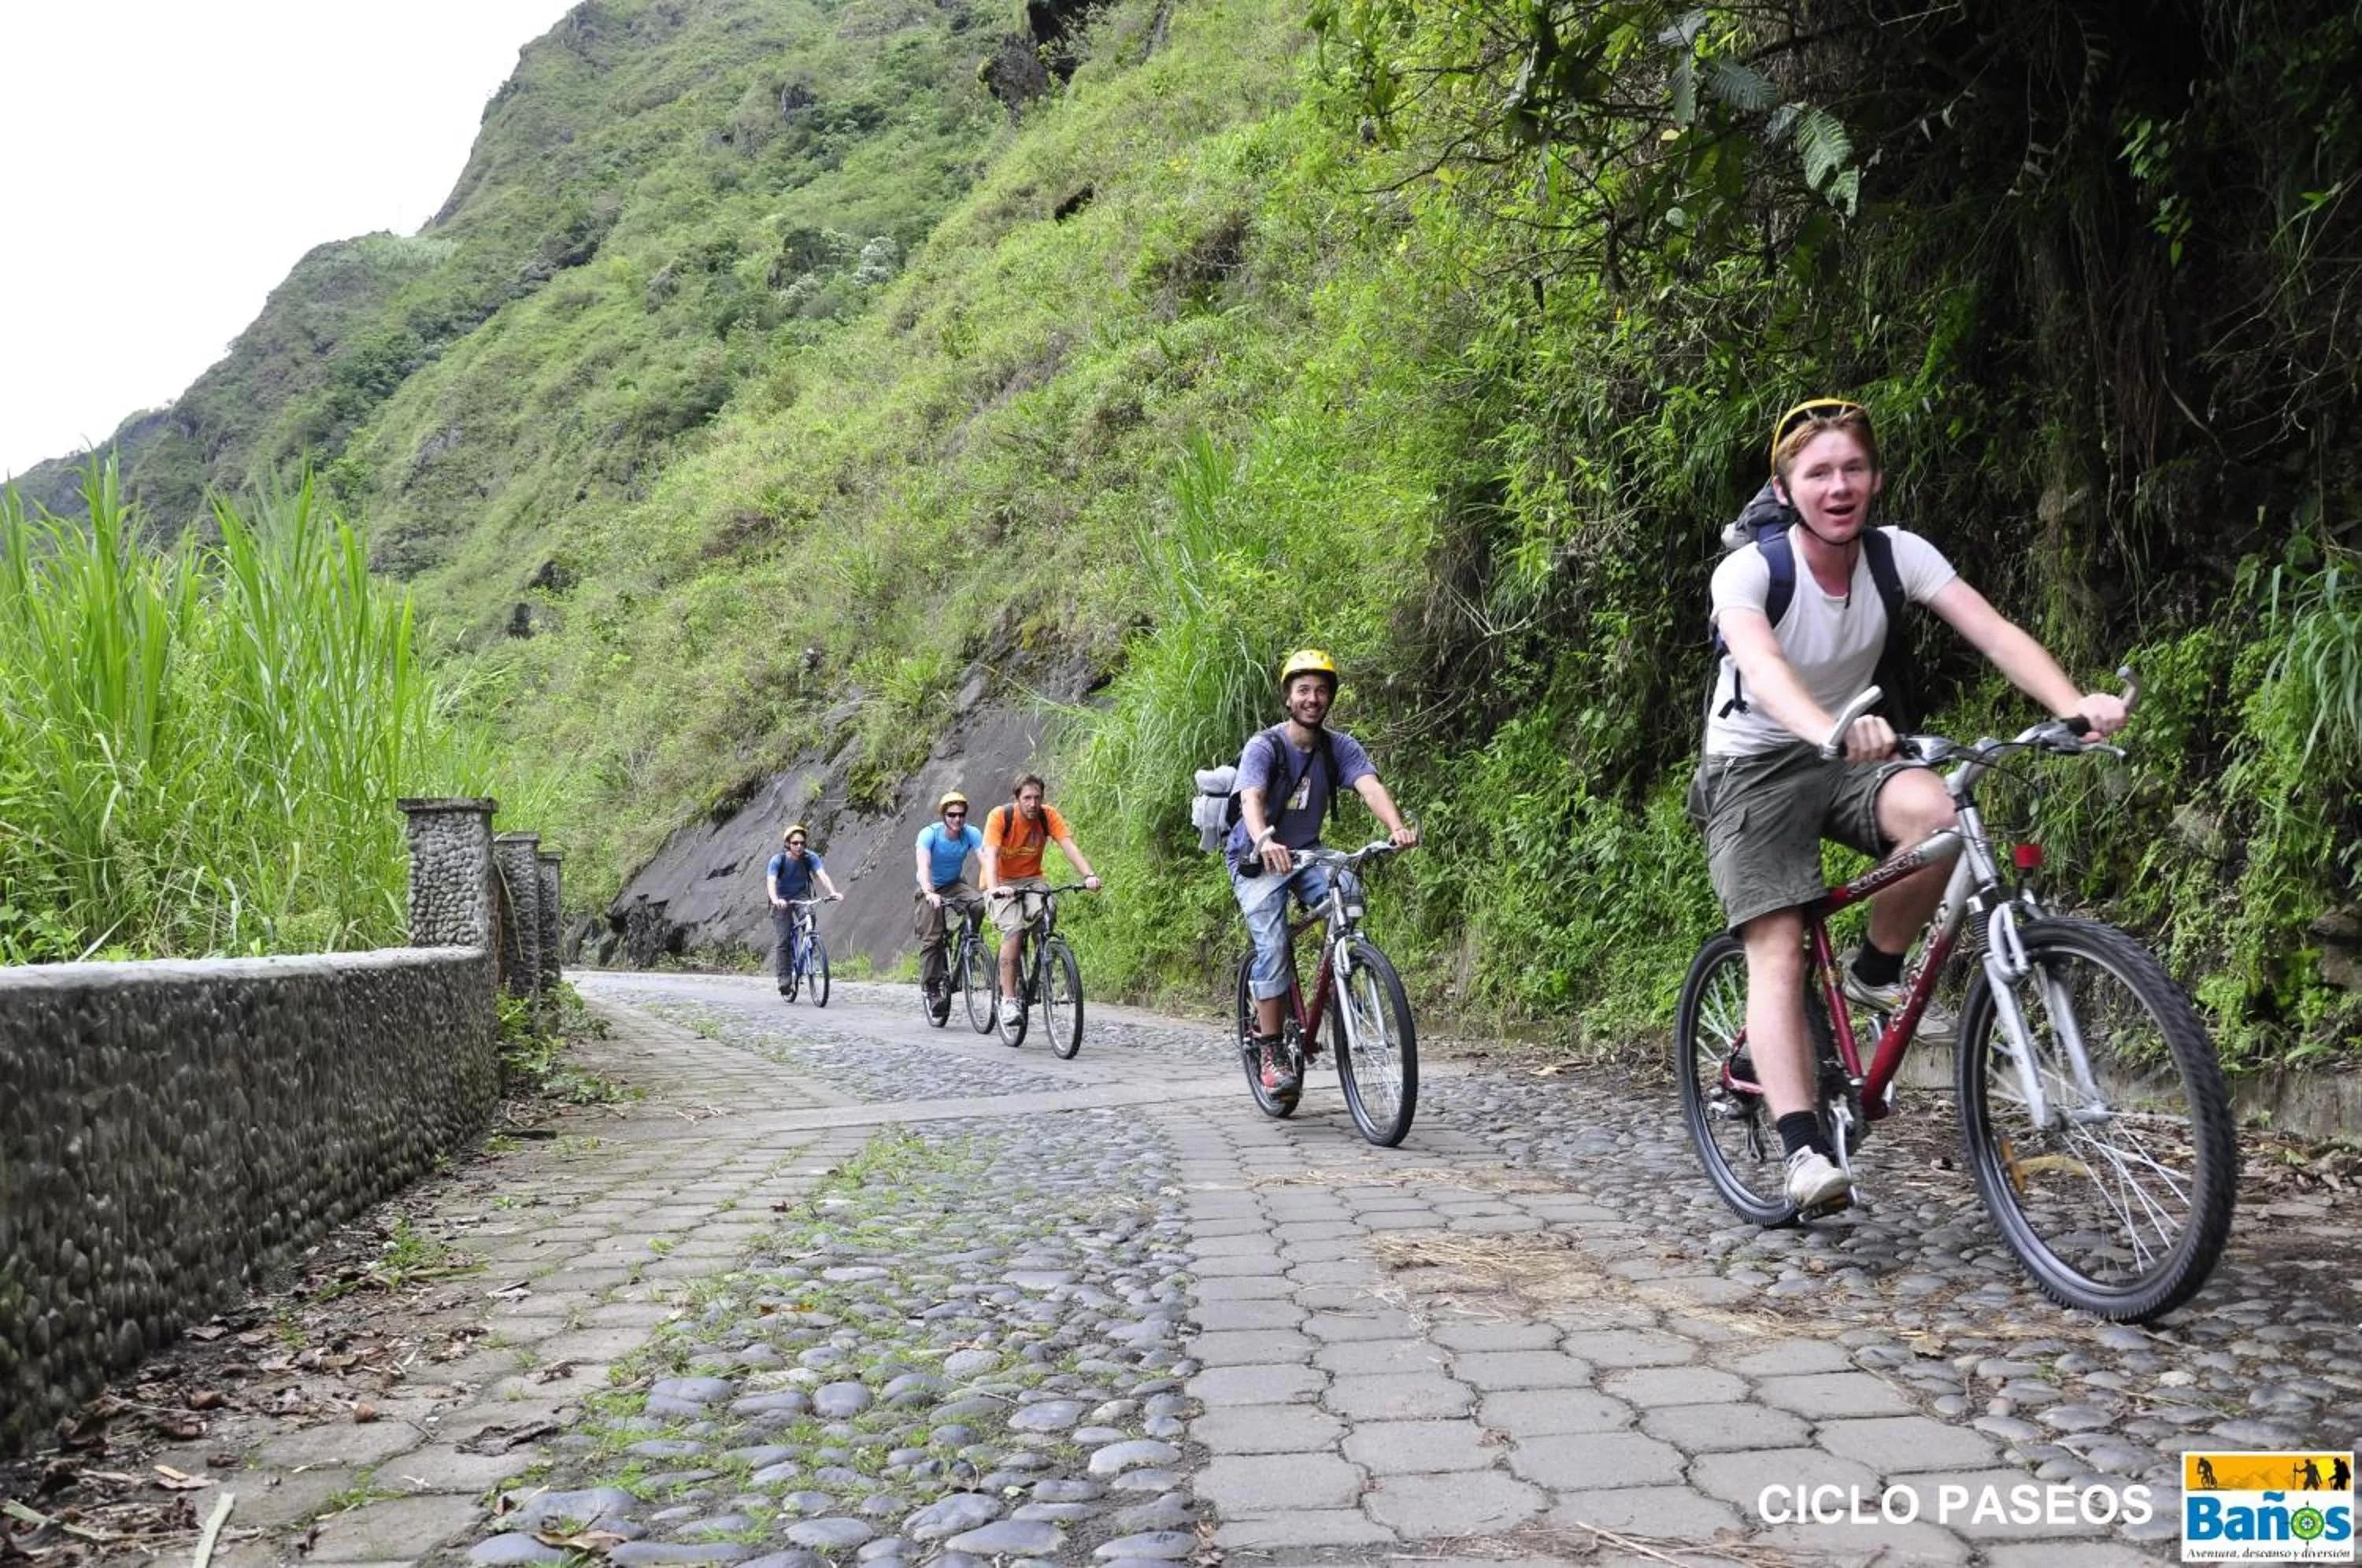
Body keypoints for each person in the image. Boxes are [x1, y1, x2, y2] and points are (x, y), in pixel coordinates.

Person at [1690, 398, 2127, 1214]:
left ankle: (1871, 972)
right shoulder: (1751, 570)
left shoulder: (1899, 556)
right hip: (1754, 767)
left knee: (1940, 814)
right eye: (1818, 473)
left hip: (1850, 748)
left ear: (1876, 479)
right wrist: (1831, 727)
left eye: (1853, 468)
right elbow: (1763, 665)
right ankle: (1804, 1153)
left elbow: (1993, 632)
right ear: (1786, 491)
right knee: (1778, 945)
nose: (1838, 485)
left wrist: (2075, 708)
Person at [1227, 649, 1418, 1095]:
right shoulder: (1266, 746)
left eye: (1321, 690)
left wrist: (1396, 828)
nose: (1313, 698)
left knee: (1347, 890)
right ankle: (1272, 1051)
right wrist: (1263, 839)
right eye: (1304, 690)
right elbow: (1251, 799)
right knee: (1272, 943)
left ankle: (1342, 974)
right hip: (1256, 855)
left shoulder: (1339, 747)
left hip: (1307, 852)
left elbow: (1370, 786)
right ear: (1288, 698)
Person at [980, 773, 1102, 1027]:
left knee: (1047, 912)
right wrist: (994, 889)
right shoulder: (1001, 817)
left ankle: (1043, 965)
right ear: (1017, 799)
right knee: (1013, 931)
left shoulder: (1048, 816)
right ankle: (1009, 1000)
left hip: (1033, 879)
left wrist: (1089, 875)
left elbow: (1068, 846)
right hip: (1001, 882)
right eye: (1027, 798)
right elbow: (990, 854)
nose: (1033, 804)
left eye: (1037, 798)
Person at [913, 791, 986, 1020]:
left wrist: (994, 886)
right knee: (933, 938)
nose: (957, 820)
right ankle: (932, 988)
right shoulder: (929, 835)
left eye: (961, 815)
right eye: (952, 815)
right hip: (931, 887)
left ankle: (970, 945)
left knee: (978, 904)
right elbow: (923, 866)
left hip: (955, 884)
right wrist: (928, 892)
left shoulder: (971, 833)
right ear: (943, 816)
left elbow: (985, 859)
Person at [766, 823, 843, 993]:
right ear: (787, 844)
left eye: (802, 843)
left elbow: (822, 875)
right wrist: (775, 900)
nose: (799, 846)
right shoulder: (778, 860)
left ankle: (809, 948)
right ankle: (784, 979)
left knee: (809, 916)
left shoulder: (810, 857)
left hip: (801, 896)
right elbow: (771, 881)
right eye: (795, 843)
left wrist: (833, 892)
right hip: (782, 899)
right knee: (783, 939)